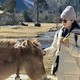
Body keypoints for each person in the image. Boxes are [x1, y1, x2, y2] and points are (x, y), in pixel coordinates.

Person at [44, 6, 80, 80]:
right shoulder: (59, 33)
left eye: (65, 20)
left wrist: (68, 46)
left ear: (72, 20)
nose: (62, 22)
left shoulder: (78, 34)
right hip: (60, 73)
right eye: (61, 20)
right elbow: (53, 48)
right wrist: (44, 52)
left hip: (74, 74)